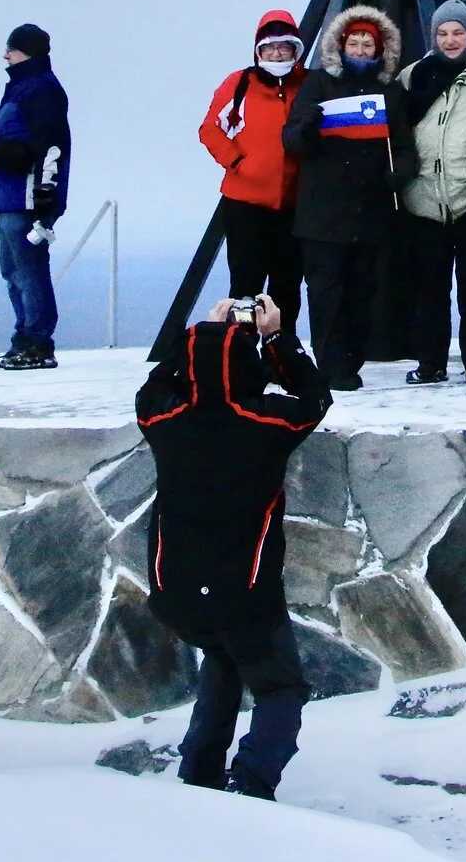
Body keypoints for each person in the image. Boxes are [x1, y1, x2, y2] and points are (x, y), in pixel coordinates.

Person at [135, 293, 329, 799]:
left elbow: (150, 393)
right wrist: (275, 337)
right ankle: (251, 782)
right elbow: (314, 398)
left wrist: (203, 336)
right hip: (243, 593)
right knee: (279, 687)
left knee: (223, 660)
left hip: (174, 588)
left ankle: (197, 775)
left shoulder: (166, 423)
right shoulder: (265, 422)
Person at [282, 6, 417, 390]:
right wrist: (307, 128)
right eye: (354, 41)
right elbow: (291, 140)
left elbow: (403, 143)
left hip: (370, 213)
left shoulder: (390, 91)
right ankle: (329, 365)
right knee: (325, 294)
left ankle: (351, 360)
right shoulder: (318, 85)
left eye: (367, 42)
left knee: (361, 294)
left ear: (379, 49)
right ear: (341, 46)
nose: (360, 48)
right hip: (322, 216)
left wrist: (401, 171)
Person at [397, 0, 466, 384]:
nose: (450, 40)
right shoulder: (413, 76)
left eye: (458, 32)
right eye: (443, 33)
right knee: (429, 288)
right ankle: (431, 362)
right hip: (423, 196)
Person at [198, 10, 306, 336]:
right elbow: (210, 130)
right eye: (269, 47)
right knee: (245, 286)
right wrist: (238, 162)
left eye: (284, 47)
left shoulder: (309, 85)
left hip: (295, 204)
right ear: (258, 51)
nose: (276, 54)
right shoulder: (239, 84)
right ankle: (242, 351)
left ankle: (281, 354)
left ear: (295, 50)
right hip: (245, 204)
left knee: (287, 286)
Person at [0, 23, 70, 371]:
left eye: (11, 48)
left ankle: (37, 342)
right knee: (14, 271)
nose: (5, 55)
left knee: (29, 271)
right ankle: (24, 339)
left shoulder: (41, 89)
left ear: (26, 51)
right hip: (8, 197)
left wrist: (44, 194)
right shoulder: (23, 87)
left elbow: (49, 146)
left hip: (25, 199)